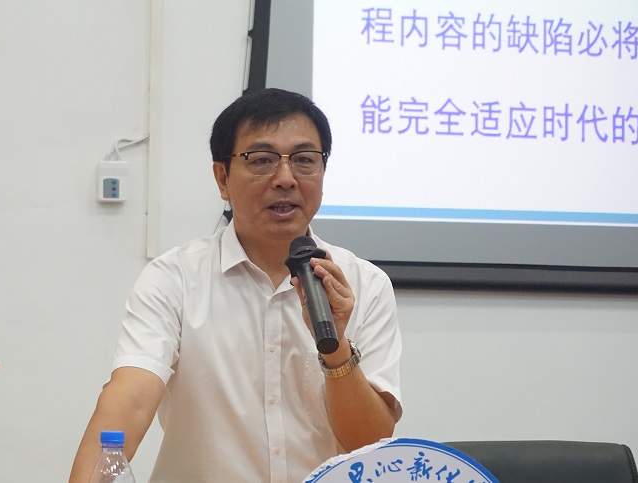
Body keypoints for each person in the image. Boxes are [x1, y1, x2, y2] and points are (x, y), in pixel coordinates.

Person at [69, 88, 402, 483]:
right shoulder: (174, 279)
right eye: (261, 160)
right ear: (222, 178)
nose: (285, 179)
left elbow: (369, 445)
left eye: (304, 160)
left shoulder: (366, 284)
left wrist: (336, 348)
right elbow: (131, 398)